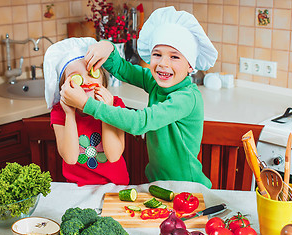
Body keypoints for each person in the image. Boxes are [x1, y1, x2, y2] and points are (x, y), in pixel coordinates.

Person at [59, 7, 218, 188]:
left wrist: (87, 104)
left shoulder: (187, 98)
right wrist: (108, 47)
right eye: (157, 54)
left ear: (190, 66)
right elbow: (124, 69)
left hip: (187, 186)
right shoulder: (155, 83)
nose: (163, 64)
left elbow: (139, 122)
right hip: (157, 183)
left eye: (174, 57)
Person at [43, 37, 129, 186]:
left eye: (91, 73)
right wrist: (70, 114)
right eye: (76, 77)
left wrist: (105, 111)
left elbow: (114, 155)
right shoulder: (60, 112)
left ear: (103, 80)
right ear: (64, 87)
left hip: (115, 186)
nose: (86, 81)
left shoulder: (115, 105)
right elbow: (70, 158)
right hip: (77, 188)